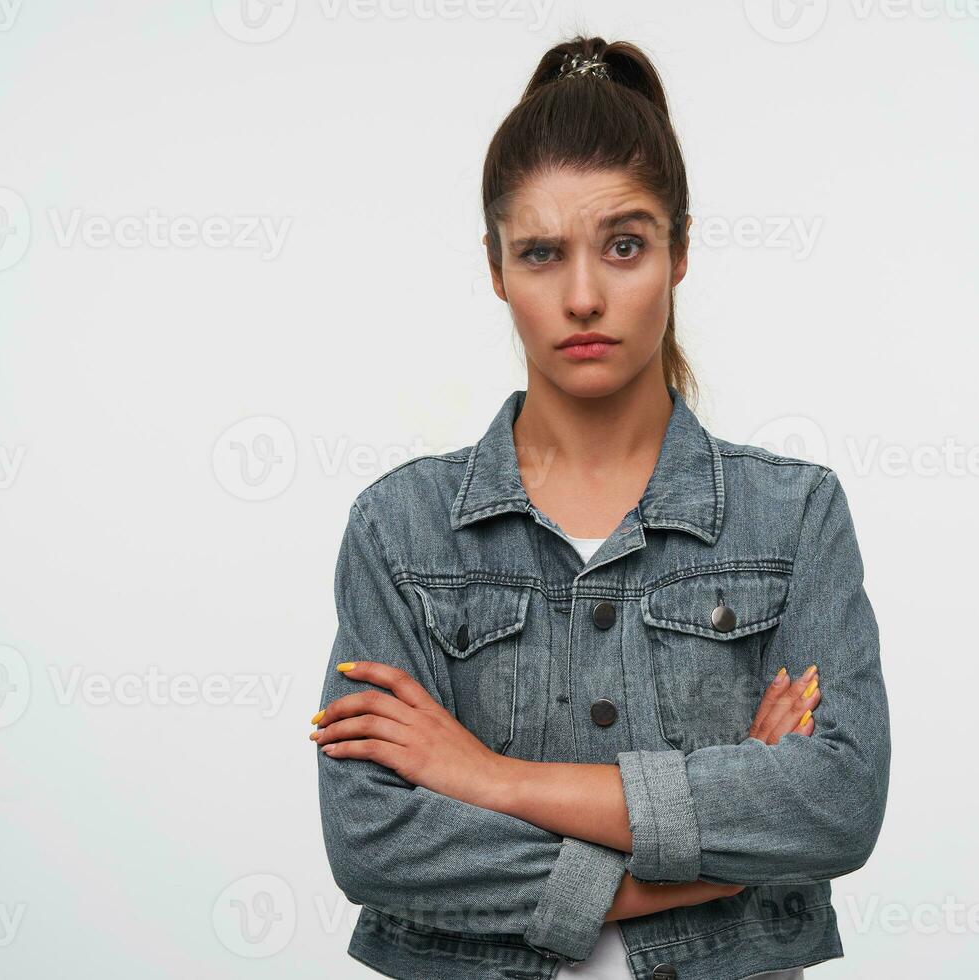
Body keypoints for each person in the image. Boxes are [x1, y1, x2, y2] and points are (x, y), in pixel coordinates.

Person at [312, 35, 891, 980]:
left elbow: (835, 800)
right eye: (541, 254)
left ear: (681, 251)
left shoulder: (794, 518)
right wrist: (701, 861)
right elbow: (376, 842)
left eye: (624, 246)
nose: (584, 296)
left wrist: (489, 779)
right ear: (496, 268)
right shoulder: (398, 529)